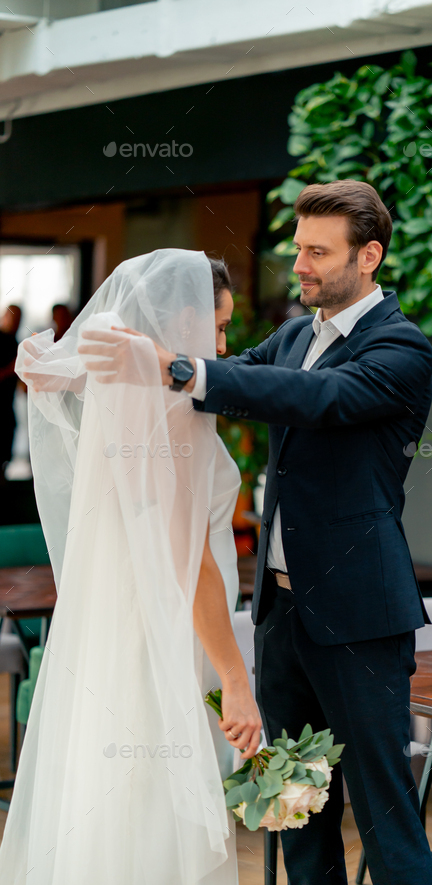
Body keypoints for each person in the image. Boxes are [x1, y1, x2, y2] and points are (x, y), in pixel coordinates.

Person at [79, 180, 432, 885]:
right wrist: (84, 372)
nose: (298, 265)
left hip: (359, 619)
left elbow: (316, 397)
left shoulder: (402, 348)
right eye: (298, 248)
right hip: (281, 618)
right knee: (294, 808)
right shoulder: (296, 334)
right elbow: (229, 378)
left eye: (317, 252)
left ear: (368, 256)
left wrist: (178, 366)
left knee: (384, 813)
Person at [0, 251, 260, 885]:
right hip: (162, 636)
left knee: (113, 798)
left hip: (116, 628)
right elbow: (191, 564)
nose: (222, 347)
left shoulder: (120, 393)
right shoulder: (172, 407)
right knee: (150, 810)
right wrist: (236, 679)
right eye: (219, 327)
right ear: (185, 319)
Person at [0, 304, 21, 479]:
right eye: (12, 317)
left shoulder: (15, 342)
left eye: (18, 319)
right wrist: (11, 369)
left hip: (7, 405)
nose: (15, 322)